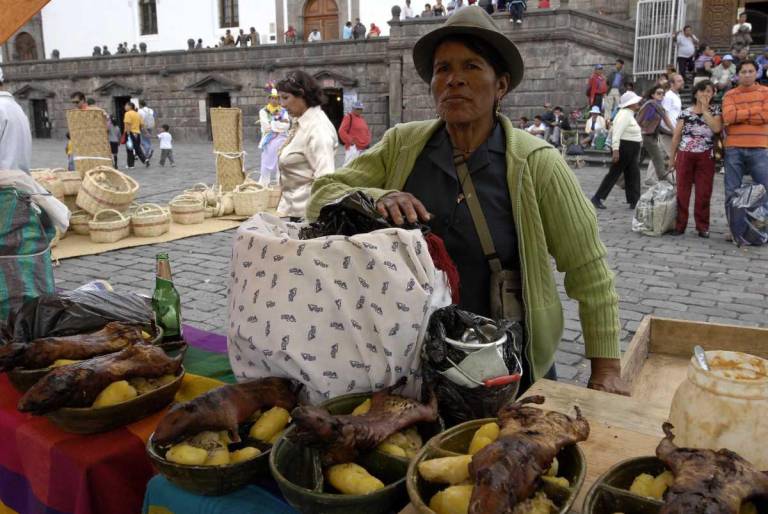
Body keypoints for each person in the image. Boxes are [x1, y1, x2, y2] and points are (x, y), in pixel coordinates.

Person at [308, 8, 628, 395]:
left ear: (501, 85)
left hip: (501, 365)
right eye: (442, 69)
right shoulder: (403, 145)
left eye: (471, 67)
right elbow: (322, 195)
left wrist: (606, 369)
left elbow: (590, 273)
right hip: (408, 363)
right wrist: (378, 196)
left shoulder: (536, 163)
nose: (453, 79)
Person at [0, 66, 61, 319]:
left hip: (4, 196)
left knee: (9, 267)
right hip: (17, 194)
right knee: (20, 267)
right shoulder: (14, 108)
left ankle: (13, 328)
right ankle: (28, 321)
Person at [276, 71, 338, 219]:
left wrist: (315, 219)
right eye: (280, 98)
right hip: (294, 208)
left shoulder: (318, 129)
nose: (282, 104)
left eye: (285, 98)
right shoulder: (302, 122)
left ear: (302, 94)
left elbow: (325, 177)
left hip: (308, 214)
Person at [668, 80, 722, 238]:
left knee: (704, 192)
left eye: (709, 91)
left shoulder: (716, 111)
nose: (705, 94)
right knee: (682, 191)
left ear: (713, 94)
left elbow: (716, 128)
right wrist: (672, 159)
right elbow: (676, 137)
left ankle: (702, 226)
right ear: (695, 93)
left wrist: (705, 110)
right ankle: (680, 225)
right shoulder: (685, 113)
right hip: (685, 154)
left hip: (706, 155)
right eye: (702, 91)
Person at [722, 59, 768, 238]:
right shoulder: (730, 94)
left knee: (764, 189)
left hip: (760, 147)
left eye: (750, 71)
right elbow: (728, 116)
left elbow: (766, 115)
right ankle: (735, 229)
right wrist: (755, 113)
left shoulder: (766, 92)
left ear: (756, 73)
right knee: (731, 190)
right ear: (737, 74)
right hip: (734, 148)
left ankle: (760, 228)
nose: (747, 74)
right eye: (743, 72)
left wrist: (740, 115)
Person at [591, 91, 643, 210]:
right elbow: (617, 132)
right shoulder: (624, 114)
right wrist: (615, 150)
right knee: (614, 173)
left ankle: (634, 200)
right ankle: (597, 198)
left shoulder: (629, 114)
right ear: (630, 103)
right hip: (625, 148)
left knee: (632, 174)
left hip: (631, 148)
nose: (638, 103)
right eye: (636, 101)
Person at [646, 73, 683, 185]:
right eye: (679, 81)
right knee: (675, 155)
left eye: (682, 80)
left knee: (658, 155)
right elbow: (664, 114)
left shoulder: (677, 96)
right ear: (672, 83)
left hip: (671, 130)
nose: (682, 82)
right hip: (667, 131)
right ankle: (677, 179)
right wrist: (672, 129)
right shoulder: (668, 96)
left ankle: (649, 178)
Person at [636, 85, 675, 185]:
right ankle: (665, 178)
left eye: (663, 93)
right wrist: (674, 131)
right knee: (658, 158)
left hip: (651, 136)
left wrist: (670, 133)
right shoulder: (651, 105)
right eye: (658, 93)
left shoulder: (657, 106)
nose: (661, 95)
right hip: (645, 136)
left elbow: (657, 126)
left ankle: (622, 181)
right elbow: (638, 121)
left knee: (637, 161)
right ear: (652, 95)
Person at [258, 88, 291, 187]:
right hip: (269, 140)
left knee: (281, 163)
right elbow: (266, 126)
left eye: (276, 98)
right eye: (272, 98)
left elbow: (287, 125)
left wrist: (273, 124)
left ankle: (280, 183)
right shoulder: (263, 111)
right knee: (265, 162)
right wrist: (277, 124)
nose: (274, 100)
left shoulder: (284, 111)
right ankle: (263, 184)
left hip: (283, 139)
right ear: (269, 99)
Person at [122, 102, 147, 169]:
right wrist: (142, 131)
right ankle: (145, 160)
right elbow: (142, 124)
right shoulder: (137, 114)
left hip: (130, 132)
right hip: (137, 133)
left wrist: (127, 134)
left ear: (130, 106)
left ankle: (131, 165)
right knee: (137, 147)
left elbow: (127, 124)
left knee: (129, 149)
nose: (125, 107)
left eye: (126, 105)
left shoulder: (127, 113)